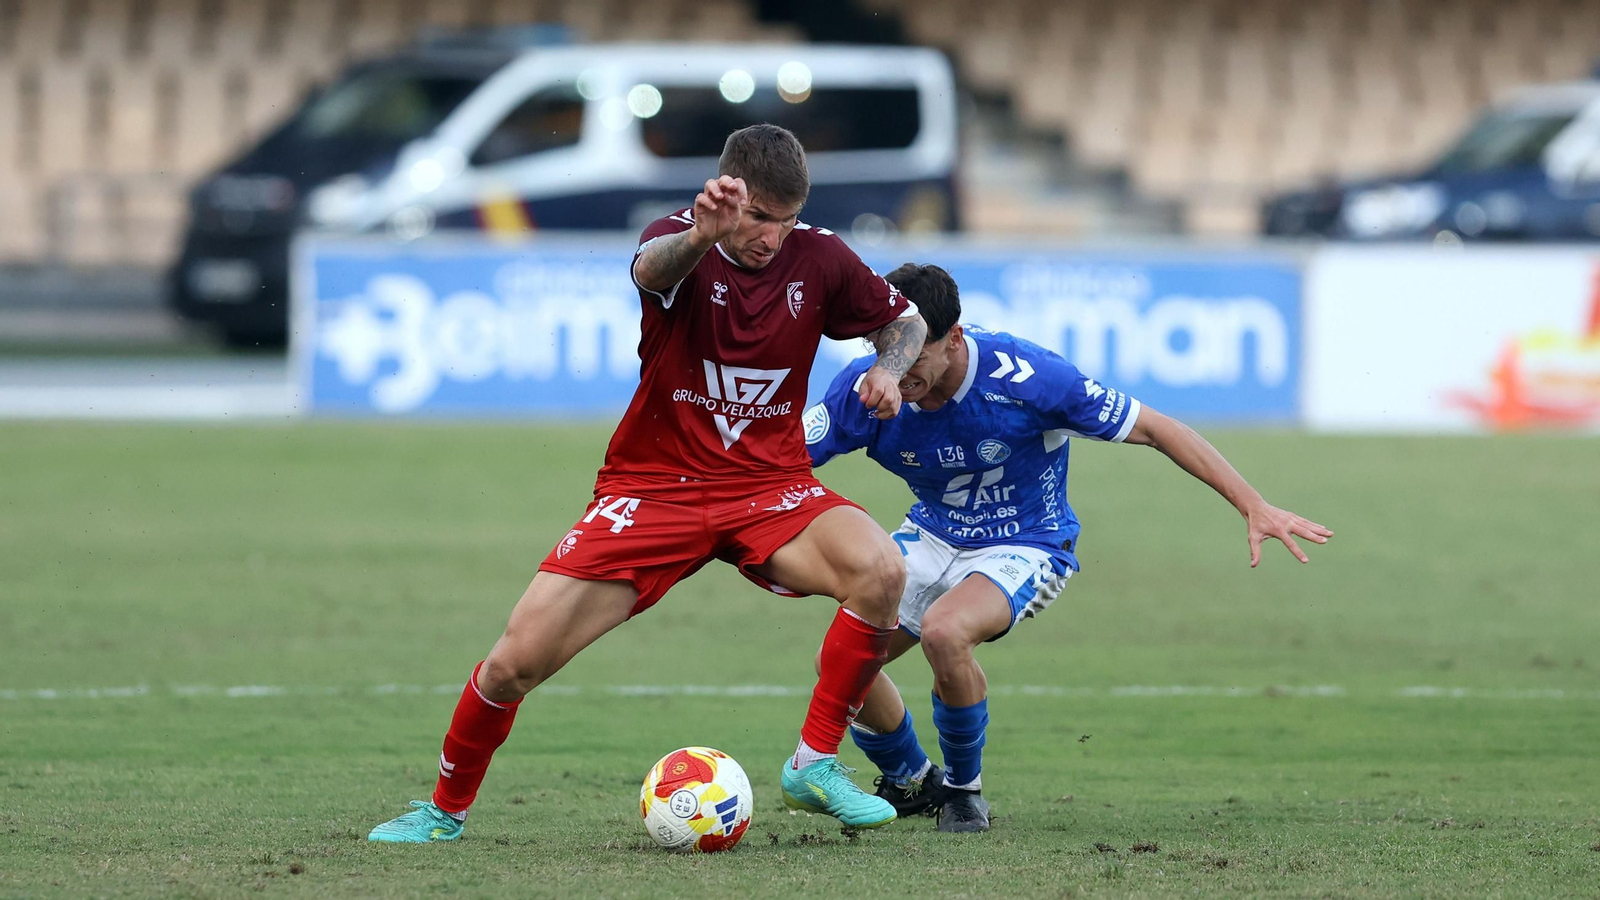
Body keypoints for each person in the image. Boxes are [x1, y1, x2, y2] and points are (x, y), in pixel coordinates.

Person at [368, 124, 929, 842]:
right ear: (729, 194)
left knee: (883, 568)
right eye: (759, 218)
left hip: (768, 486)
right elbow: (650, 274)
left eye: (787, 221)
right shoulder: (679, 237)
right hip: (656, 487)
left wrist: (887, 367)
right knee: (514, 662)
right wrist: (703, 235)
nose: (772, 239)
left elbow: (905, 322)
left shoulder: (818, 256)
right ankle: (442, 813)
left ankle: (813, 764)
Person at [803, 263, 1332, 833]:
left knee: (945, 632)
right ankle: (915, 778)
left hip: (1026, 541)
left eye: (912, 352)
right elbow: (775, 457)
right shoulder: (864, 389)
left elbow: (1156, 428)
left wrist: (1252, 503)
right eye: (884, 351)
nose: (896, 369)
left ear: (954, 337)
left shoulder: (1028, 377)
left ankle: (963, 793)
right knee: (840, 662)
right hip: (931, 533)